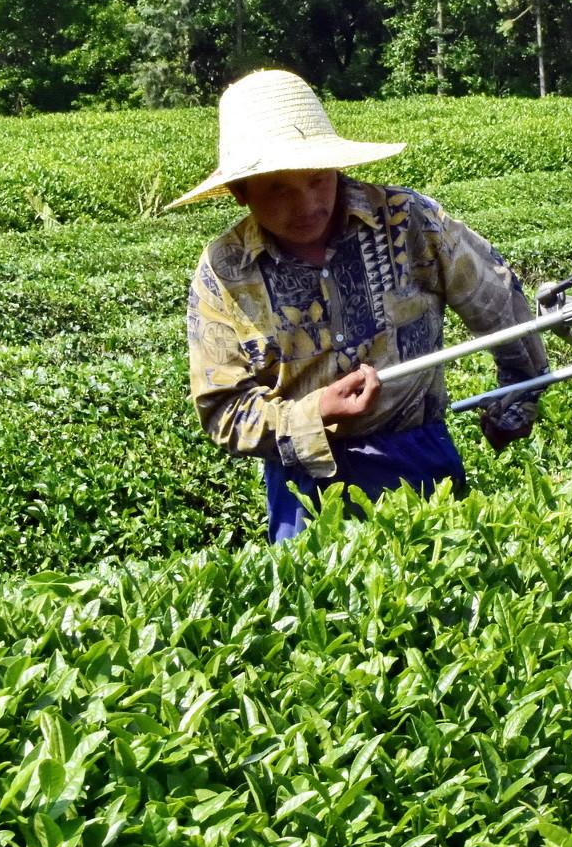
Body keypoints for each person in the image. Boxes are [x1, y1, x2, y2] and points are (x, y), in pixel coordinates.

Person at [174, 69, 547, 541]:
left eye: (315, 179)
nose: (306, 203)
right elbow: (224, 410)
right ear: (240, 192)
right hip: (306, 485)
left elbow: (501, 308)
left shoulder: (410, 221)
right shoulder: (225, 270)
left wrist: (516, 398)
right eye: (278, 189)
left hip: (419, 458)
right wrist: (313, 414)